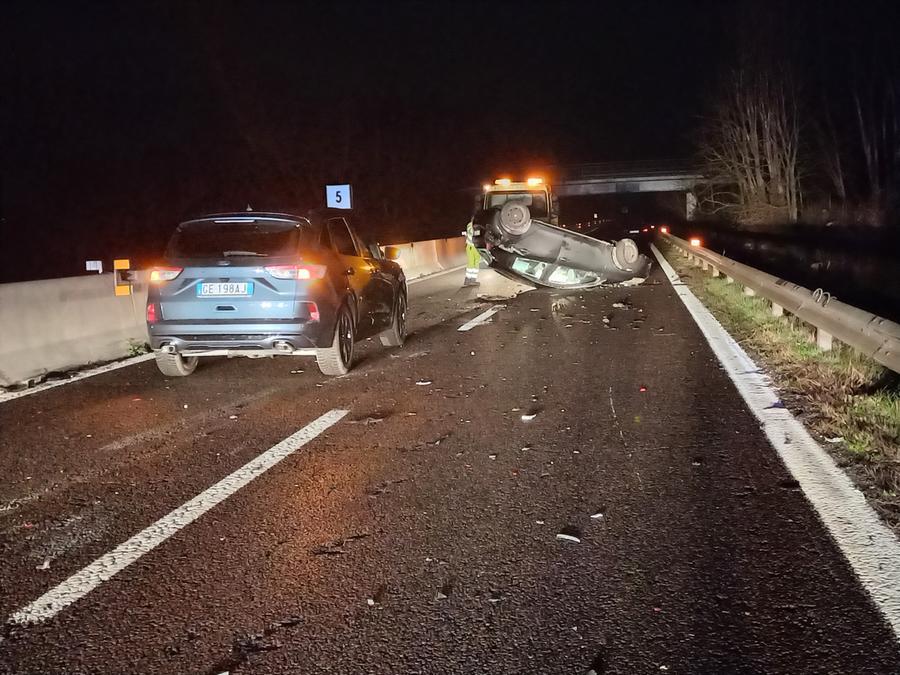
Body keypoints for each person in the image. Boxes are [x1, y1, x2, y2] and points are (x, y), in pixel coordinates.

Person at [463, 218, 480, 286]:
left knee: (476, 262)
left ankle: (473, 280)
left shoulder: (478, 225)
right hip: (471, 246)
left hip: (476, 246)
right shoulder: (470, 225)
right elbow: (471, 232)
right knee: (471, 263)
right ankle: (467, 279)